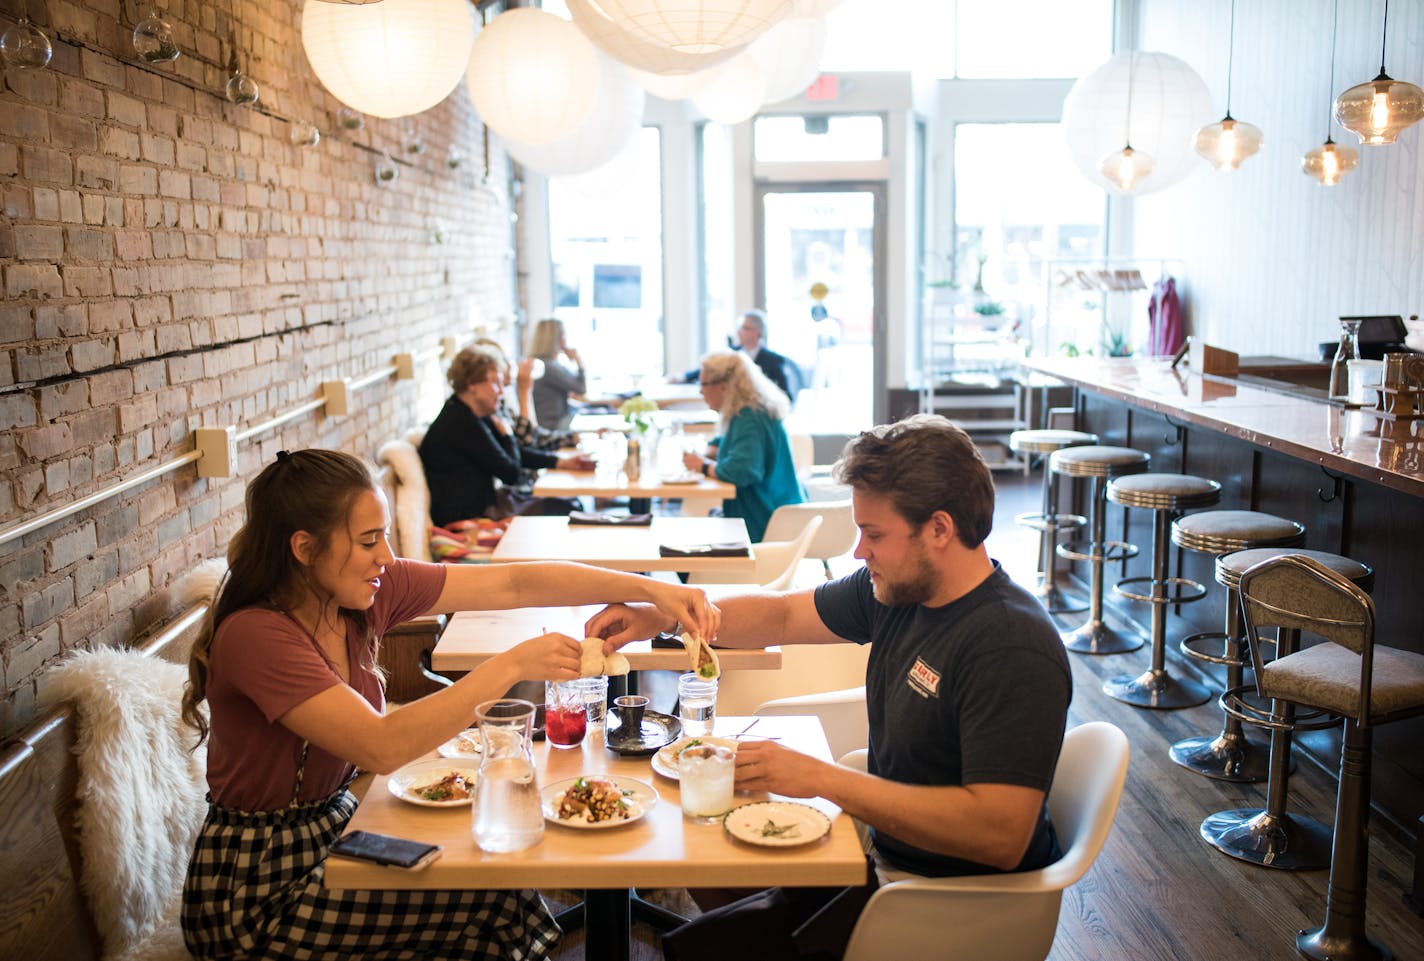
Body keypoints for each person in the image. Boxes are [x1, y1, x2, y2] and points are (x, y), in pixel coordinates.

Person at [178, 448, 718, 961]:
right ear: (303, 548)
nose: (386, 558)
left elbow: (514, 582)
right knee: (489, 899)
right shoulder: (258, 635)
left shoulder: (361, 594)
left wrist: (650, 592)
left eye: (385, 537)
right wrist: (510, 665)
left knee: (493, 882)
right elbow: (381, 745)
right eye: (369, 541)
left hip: (340, 828)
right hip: (257, 889)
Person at [588, 415, 1072, 961]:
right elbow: (783, 616)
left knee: (709, 921)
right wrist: (665, 618)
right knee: (706, 856)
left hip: (945, 902)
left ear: (939, 529)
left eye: (874, 534)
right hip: (882, 855)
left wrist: (821, 777)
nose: (858, 551)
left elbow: (999, 836)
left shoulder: (1009, 644)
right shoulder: (899, 591)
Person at [420, 345, 593, 525]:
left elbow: (514, 453)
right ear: (472, 384)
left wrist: (560, 461)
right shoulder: (460, 423)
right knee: (566, 509)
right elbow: (511, 473)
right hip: (471, 518)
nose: (501, 391)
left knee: (570, 504)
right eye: (495, 383)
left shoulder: (468, 413)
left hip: (488, 504)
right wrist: (508, 436)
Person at [682, 350, 804, 542]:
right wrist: (712, 451)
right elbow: (732, 442)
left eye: (703, 384)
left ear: (722, 386)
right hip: (776, 511)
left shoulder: (749, 418)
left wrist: (702, 466)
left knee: (684, 550)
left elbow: (741, 470)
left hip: (763, 521)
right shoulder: (751, 411)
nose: (700, 391)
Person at [672, 309, 795, 401]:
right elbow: (709, 370)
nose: (738, 332)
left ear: (757, 332)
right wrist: (683, 377)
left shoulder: (774, 360)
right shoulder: (731, 353)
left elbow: (785, 395)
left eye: (744, 328)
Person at [527, 318, 587, 431]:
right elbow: (581, 388)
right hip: (553, 426)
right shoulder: (548, 367)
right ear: (558, 339)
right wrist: (578, 360)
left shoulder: (543, 364)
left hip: (550, 423)